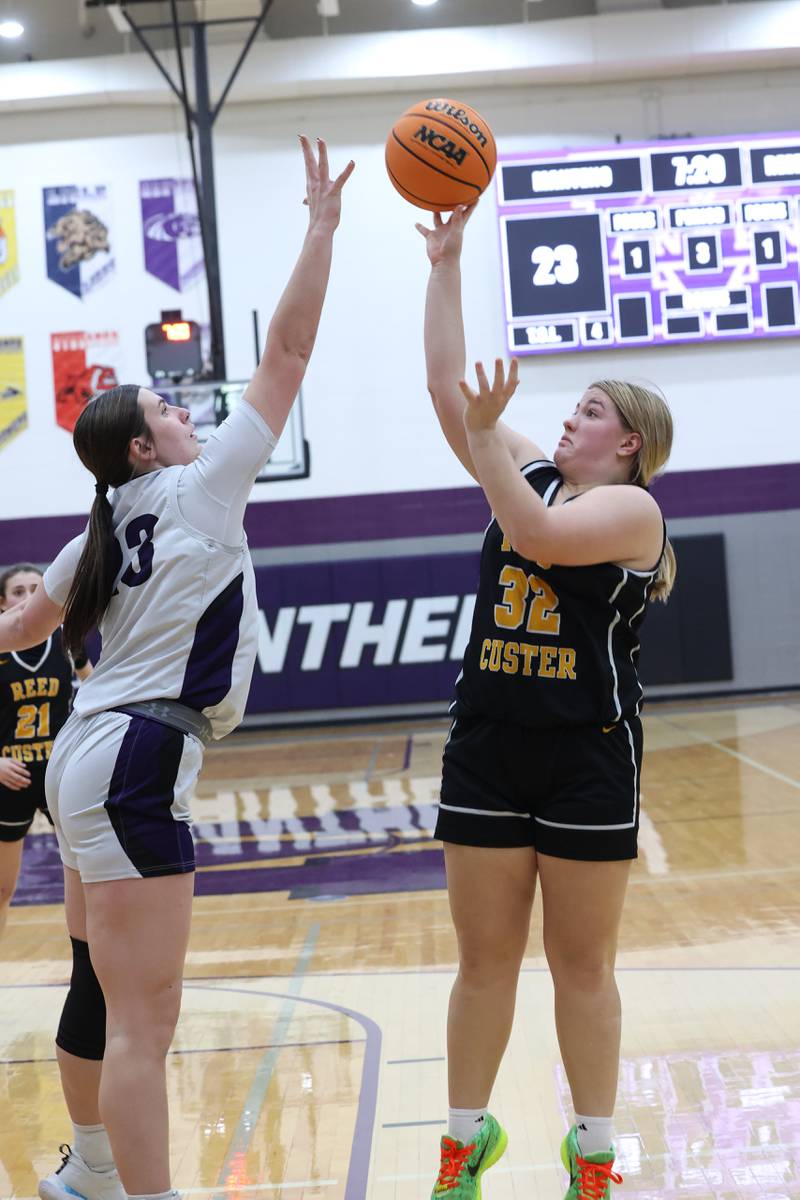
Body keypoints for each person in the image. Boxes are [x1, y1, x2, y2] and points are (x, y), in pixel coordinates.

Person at [0, 136, 353, 1200]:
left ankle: (93, 1175)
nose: (188, 411)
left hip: (88, 753)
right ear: (145, 450)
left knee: (112, 999)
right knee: (147, 1023)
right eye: (169, 410)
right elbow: (287, 352)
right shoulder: (198, 495)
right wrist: (320, 227)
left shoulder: (94, 531)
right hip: (139, 749)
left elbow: (19, 638)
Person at [416, 204, 676, 1200]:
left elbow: (531, 535)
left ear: (627, 446)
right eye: (567, 410)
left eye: (587, 414)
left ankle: (593, 1153)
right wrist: (445, 268)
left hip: (585, 755)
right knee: (482, 962)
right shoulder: (521, 466)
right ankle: (459, 1146)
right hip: (486, 743)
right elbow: (447, 388)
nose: (567, 420)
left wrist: (484, 439)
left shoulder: (632, 511)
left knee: (580, 966)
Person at [0, 563, 92, 935]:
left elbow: (99, 690)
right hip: (11, 778)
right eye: (17, 592)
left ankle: (94, 970)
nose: (25, 599)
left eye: (34, 590)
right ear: (2, 603)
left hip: (61, 776)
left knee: (89, 880)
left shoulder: (67, 641)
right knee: (3, 888)